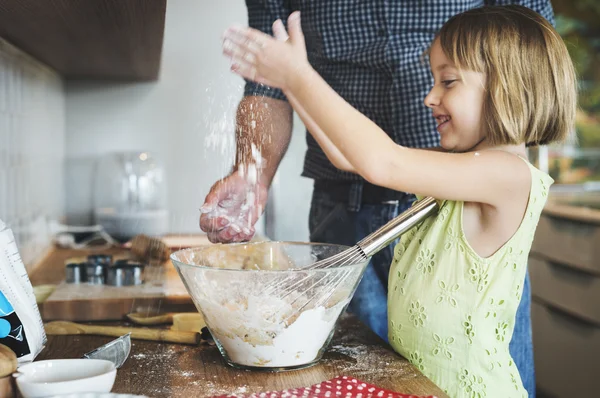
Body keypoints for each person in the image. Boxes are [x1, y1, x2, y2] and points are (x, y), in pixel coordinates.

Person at [201, 1, 554, 395]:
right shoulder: (458, 168)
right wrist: (287, 83)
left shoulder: (507, 175)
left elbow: (382, 163)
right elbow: (345, 155)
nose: (430, 98)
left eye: (448, 82)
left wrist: (300, 77)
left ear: (508, 86)